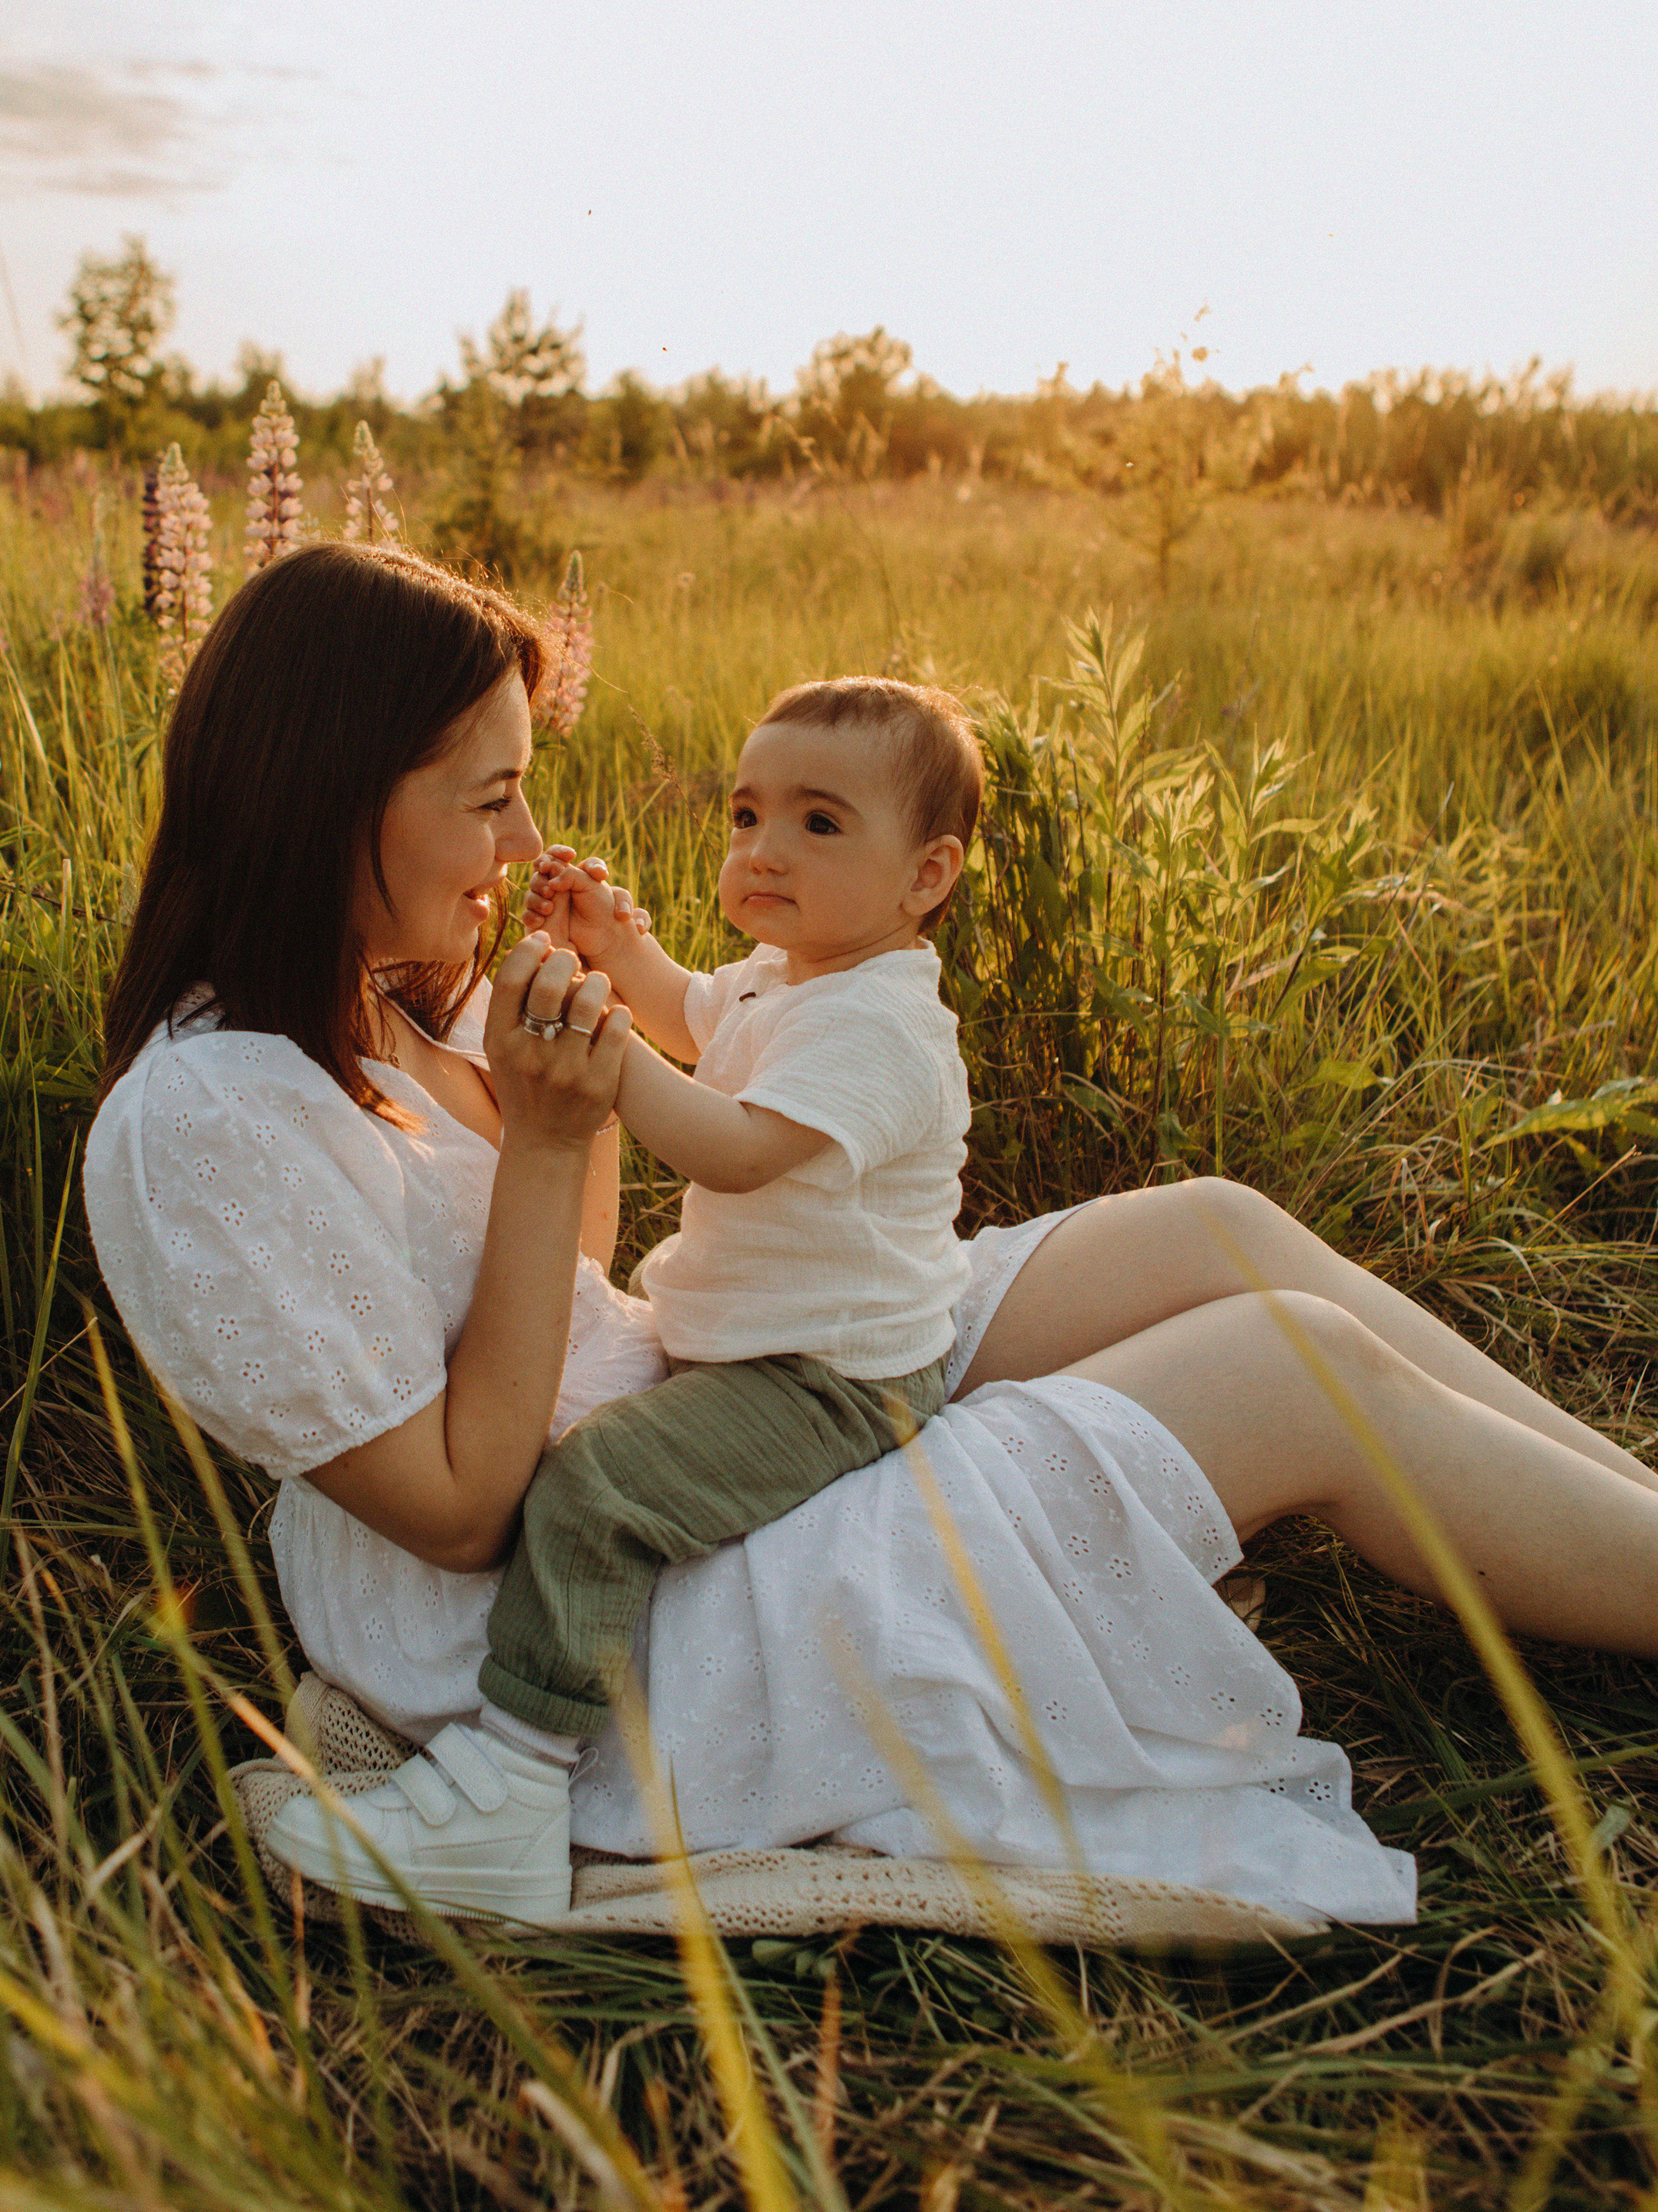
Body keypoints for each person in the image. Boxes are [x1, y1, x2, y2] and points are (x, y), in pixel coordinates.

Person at [82, 543, 1658, 1939]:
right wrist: (552, 1134)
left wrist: (581, 1054)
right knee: (1290, 1370)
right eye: (491, 798)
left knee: (1215, 1234)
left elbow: (578, 1267)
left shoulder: (388, 1005)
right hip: (596, 1633)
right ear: (329, 790)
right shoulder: (206, 1126)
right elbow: (453, 1510)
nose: (522, 840)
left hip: (692, 1407)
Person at [265, 675, 985, 1919]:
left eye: (820, 825)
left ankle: (513, 1787)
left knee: (599, 1492)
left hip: (830, 1382)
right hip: (769, 1346)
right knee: (618, 1469)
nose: (764, 851)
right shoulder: (794, 972)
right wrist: (623, 952)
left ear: (927, 877)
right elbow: (702, 1018)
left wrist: (603, 1056)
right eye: (748, 814)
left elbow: (736, 1144)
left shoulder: (882, 1027)